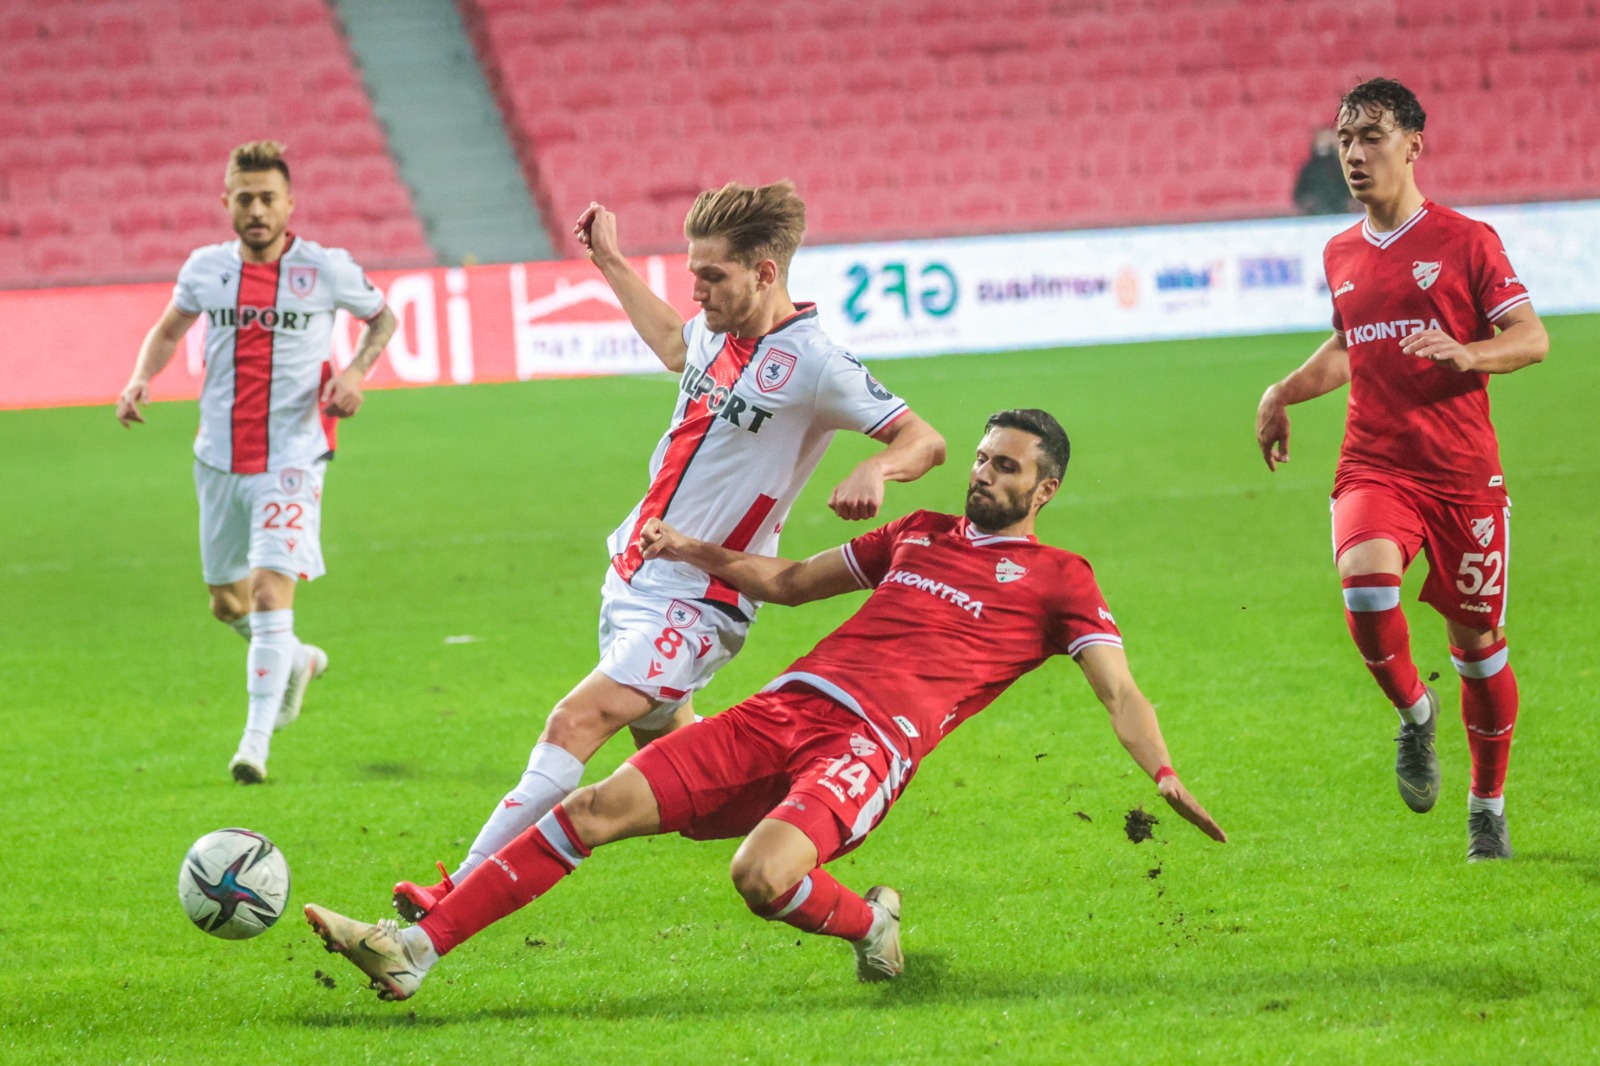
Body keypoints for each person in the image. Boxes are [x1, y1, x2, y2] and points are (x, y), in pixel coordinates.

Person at [305, 409, 1227, 1000]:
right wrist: (692, 549)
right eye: (982, 459)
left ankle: (871, 923)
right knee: (591, 808)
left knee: (759, 876)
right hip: (784, 706)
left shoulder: (1062, 580)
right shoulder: (919, 533)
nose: (984, 474)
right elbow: (787, 582)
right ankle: (414, 951)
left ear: (1044, 490)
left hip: (869, 747)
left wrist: (1162, 771)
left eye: (1007, 468)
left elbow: (1119, 688)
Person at [390, 181, 946, 918]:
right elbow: (675, 346)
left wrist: (876, 468)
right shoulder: (716, 331)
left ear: (765, 273)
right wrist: (611, 262)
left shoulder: (816, 365)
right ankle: (828, 824)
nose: (697, 289)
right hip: (634, 570)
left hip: (700, 597)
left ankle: (454, 891)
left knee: (574, 723)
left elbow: (923, 439)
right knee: (686, 778)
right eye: (693, 273)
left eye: (712, 275)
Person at [1255, 79, 1548, 861]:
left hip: (1462, 476)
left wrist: (1470, 354)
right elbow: (1349, 344)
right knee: (1365, 584)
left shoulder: (1467, 240)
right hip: (1374, 464)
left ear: (1414, 144)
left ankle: (1487, 805)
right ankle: (1417, 715)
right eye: (1346, 139)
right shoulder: (1340, 251)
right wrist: (1283, 391)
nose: (1354, 153)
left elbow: (1532, 337)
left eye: (1372, 136)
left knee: (1478, 648)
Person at [116, 141, 397, 784]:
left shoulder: (324, 268)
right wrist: (139, 379)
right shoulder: (206, 269)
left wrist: (355, 372)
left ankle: (254, 745)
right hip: (218, 457)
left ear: (290, 203)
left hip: (293, 456)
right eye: (245, 198)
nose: (257, 210)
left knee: (271, 591)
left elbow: (382, 320)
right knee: (227, 602)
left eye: (268, 198)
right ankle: (295, 659)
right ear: (227, 203)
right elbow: (168, 330)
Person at [1293, 127, 1357, 216]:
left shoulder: (1339, 166)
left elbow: (1347, 187)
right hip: (1316, 211)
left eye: (1327, 138)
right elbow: (1300, 193)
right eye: (1322, 138)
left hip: (1340, 209)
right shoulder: (1310, 167)